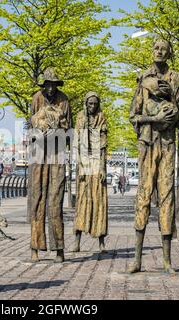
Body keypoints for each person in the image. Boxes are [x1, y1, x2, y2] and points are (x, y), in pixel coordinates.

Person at [128, 39, 179, 274]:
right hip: (148, 144)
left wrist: (170, 102)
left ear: (169, 53)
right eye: (156, 48)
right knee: (143, 196)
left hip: (168, 144)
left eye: (163, 49)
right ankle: (138, 260)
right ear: (152, 51)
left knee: (167, 197)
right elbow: (134, 116)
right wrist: (154, 120)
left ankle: (167, 261)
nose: (159, 52)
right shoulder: (142, 78)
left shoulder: (176, 78)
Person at [28, 67, 72, 263]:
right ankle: (35, 248)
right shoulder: (36, 98)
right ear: (43, 85)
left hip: (57, 154)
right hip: (39, 154)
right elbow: (31, 125)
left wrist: (57, 133)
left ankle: (59, 249)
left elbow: (68, 128)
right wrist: (39, 133)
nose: (51, 88)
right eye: (48, 85)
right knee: (37, 198)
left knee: (55, 201)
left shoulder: (64, 100)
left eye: (54, 84)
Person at [73, 92, 108, 253]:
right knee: (82, 202)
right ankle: (77, 240)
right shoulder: (80, 117)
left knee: (99, 201)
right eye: (90, 104)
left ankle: (101, 241)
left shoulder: (101, 117)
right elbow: (77, 143)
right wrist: (80, 167)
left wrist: (102, 168)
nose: (92, 107)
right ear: (85, 104)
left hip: (96, 163)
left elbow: (103, 146)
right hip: (84, 164)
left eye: (95, 104)